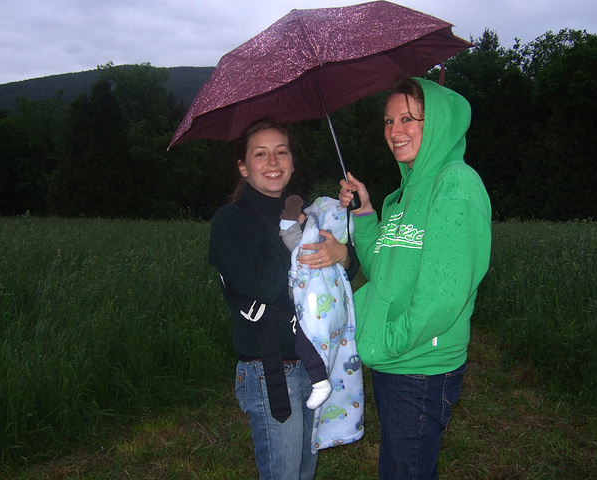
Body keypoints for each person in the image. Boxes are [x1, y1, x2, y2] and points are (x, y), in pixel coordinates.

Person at [339, 76, 492, 479]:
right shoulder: (407, 192)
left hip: (419, 364)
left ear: (437, 123)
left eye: (408, 119)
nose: (394, 131)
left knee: (403, 471)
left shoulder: (455, 184)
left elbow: (443, 295)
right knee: (401, 466)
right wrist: (365, 213)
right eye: (388, 121)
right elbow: (382, 271)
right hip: (398, 361)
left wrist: (387, 341)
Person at [208, 118, 358, 480]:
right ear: (244, 167)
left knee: (305, 471)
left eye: (281, 152)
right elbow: (267, 285)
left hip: (313, 362)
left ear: (292, 162)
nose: (273, 162)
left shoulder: (305, 212)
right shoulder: (231, 221)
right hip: (269, 369)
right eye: (260, 154)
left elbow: (336, 279)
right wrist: (287, 226)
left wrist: (344, 254)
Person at [279, 194, 332, 410]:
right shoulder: (329, 243)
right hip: (324, 300)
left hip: (309, 301)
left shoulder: (305, 246)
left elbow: (286, 229)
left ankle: (320, 383)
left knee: (304, 342)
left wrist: (293, 205)